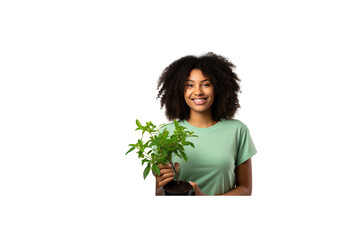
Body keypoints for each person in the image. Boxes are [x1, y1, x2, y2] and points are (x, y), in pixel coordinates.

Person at [154, 52, 257, 196]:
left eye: (206, 84)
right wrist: (161, 182)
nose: (198, 91)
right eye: (190, 85)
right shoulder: (166, 133)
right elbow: (159, 193)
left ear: (218, 87)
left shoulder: (237, 130)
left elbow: (245, 189)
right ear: (179, 90)